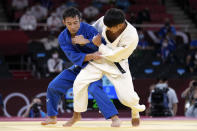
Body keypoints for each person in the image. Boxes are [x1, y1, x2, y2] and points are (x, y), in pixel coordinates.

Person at [41, 7, 120, 127]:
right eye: (69, 23)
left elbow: (103, 46)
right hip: (79, 66)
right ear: (63, 22)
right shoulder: (63, 37)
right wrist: (91, 55)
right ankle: (52, 116)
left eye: (75, 23)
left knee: (94, 89)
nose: (73, 26)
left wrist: (86, 42)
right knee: (53, 86)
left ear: (80, 20)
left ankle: (114, 117)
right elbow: (73, 57)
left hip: (95, 67)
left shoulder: (89, 29)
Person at [71, 8, 145, 127]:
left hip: (117, 64)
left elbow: (115, 56)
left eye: (111, 27)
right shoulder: (104, 21)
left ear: (120, 25)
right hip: (99, 59)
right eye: (106, 26)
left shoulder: (131, 36)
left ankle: (135, 111)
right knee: (79, 83)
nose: (107, 28)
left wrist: (99, 44)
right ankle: (77, 113)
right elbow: (92, 31)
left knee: (127, 98)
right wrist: (83, 38)